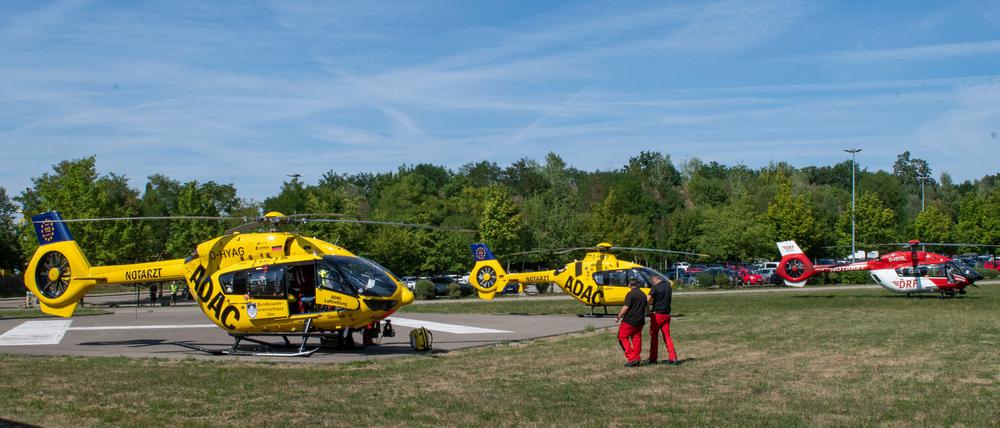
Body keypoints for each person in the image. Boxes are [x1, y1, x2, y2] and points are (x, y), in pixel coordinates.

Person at [615, 278, 648, 367]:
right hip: (640, 321)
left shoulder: (630, 294)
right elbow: (647, 306)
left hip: (629, 321)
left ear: (630, 285)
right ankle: (636, 358)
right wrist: (648, 313)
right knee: (636, 339)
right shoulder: (643, 294)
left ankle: (631, 358)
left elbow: (626, 307)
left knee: (622, 338)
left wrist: (618, 316)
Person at [647, 275, 679, 365]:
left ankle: (653, 359)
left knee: (654, 337)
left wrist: (647, 310)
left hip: (657, 315)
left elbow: (647, 299)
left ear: (654, 281)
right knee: (667, 336)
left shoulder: (655, 288)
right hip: (667, 314)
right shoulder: (668, 286)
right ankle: (673, 357)